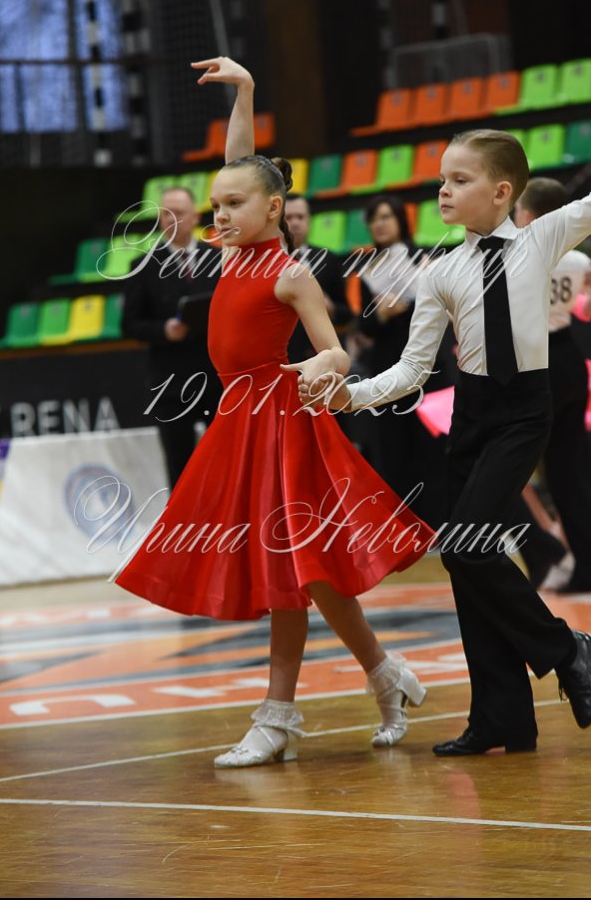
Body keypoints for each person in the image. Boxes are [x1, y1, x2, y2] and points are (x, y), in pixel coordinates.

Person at [113, 56, 434, 768]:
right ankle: (387, 675)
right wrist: (247, 91)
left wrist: (323, 364)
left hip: (283, 425)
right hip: (241, 423)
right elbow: (241, 164)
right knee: (309, 574)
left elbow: (337, 351)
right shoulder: (230, 254)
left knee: (292, 567)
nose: (220, 214)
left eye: (234, 205)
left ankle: (279, 715)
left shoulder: (288, 272)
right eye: (216, 205)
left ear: (272, 210)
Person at [305, 128, 591, 755]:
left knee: (464, 547)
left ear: (502, 191)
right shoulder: (441, 272)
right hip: (470, 418)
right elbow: (412, 368)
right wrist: (351, 395)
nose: (443, 191)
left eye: (460, 180)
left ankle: (566, 647)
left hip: (523, 413)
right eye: (442, 180)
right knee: (465, 563)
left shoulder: (543, 238)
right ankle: (501, 719)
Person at [511, 177, 591, 592]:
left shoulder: (516, 255)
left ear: (527, 215)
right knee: (573, 472)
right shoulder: (577, 260)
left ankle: (549, 554)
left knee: (507, 467)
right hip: (569, 361)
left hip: (532, 365)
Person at [353, 193, 455, 527]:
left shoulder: (425, 258)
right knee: (393, 446)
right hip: (387, 366)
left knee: (433, 444)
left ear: (400, 219)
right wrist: (381, 314)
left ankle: (440, 523)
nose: (380, 224)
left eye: (386, 216)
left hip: (429, 365)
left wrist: (407, 306)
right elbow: (363, 325)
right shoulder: (368, 269)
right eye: (374, 219)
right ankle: (405, 527)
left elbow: (443, 308)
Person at [122, 186, 222, 487]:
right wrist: (163, 330)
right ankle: (183, 520)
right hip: (170, 384)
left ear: (195, 217)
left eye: (178, 212)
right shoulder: (143, 265)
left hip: (216, 378)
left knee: (227, 459)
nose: (171, 219)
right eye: (165, 214)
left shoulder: (219, 259)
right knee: (180, 467)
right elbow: (129, 325)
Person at [284, 195, 353, 365]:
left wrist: (331, 308)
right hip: (282, 354)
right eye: (289, 217)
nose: (295, 223)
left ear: (309, 220)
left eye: (300, 217)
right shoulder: (268, 261)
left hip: (320, 357)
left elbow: (347, 313)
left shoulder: (329, 259)